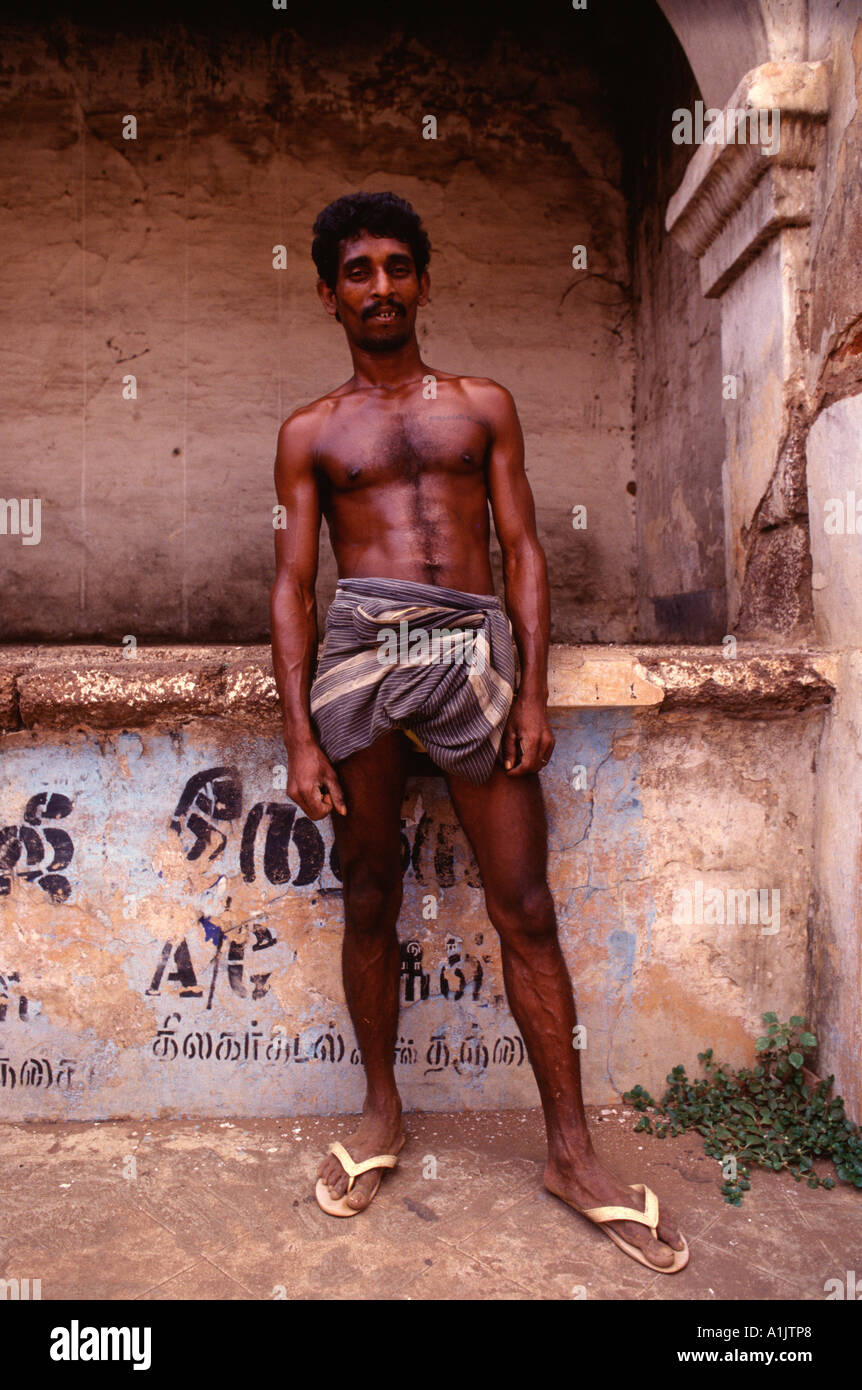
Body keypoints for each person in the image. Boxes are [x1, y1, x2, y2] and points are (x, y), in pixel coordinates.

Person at [269, 191, 688, 1273]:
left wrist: (533, 691)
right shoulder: (311, 431)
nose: (379, 288)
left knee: (527, 905)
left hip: (471, 650)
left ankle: (570, 1151)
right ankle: (380, 1117)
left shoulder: (482, 406)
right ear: (326, 291)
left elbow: (524, 549)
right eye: (356, 271)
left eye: (397, 267)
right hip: (360, 647)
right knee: (367, 890)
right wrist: (301, 736)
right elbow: (290, 583)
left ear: (423, 278)